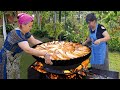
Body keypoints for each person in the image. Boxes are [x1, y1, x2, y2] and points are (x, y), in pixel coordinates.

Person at [0, 13, 53, 79]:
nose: (31, 28)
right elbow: (27, 49)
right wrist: (45, 53)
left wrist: (47, 46)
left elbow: (34, 41)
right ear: (23, 25)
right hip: (7, 57)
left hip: (15, 56)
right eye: (29, 26)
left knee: (15, 73)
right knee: (7, 75)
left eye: (31, 26)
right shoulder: (16, 34)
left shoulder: (25, 32)